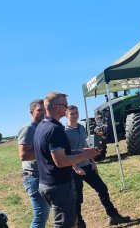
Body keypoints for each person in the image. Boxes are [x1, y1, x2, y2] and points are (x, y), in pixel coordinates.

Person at [33, 92, 100, 228]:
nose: (67, 107)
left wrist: (81, 151)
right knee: (66, 224)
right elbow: (61, 161)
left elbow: (55, 155)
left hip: (46, 183)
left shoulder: (42, 126)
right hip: (59, 186)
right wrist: (87, 155)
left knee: (67, 221)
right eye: (65, 105)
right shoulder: (54, 129)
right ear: (56, 108)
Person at [64, 106, 130, 227]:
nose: (75, 115)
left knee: (102, 188)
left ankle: (113, 216)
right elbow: (65, 153)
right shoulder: (65, 132)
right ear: (66, 115)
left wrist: (92, 162)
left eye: (76, 113)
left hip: (87, 165)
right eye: (72, 113)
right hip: (74, 169)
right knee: (77, 198)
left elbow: (85, 146)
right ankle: (79, 223)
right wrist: (75, 167)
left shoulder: (81, 127)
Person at [17, 99, 49, 228]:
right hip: (33, 177)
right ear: (31, 112)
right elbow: (23, 155)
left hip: (44, 175)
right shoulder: (28, 129)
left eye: (45, 110)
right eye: (39, 110)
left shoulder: (43, 127)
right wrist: (47, 152)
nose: (43, 112)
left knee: (46, 213)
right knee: (41, 215)